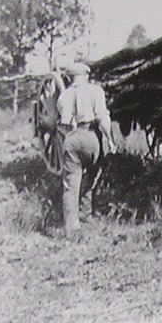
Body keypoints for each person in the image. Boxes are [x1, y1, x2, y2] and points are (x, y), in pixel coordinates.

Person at [55, 59, 113, 232]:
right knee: (93, 175)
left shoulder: (63, 96)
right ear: (86, 76)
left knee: (71, 185)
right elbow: (102, 118)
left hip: (71, 138)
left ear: (69, 78)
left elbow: (63, 122)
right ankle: (85, 214)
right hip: (91, 136)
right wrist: (110, 139)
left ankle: (72, 227)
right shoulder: (95, 91)